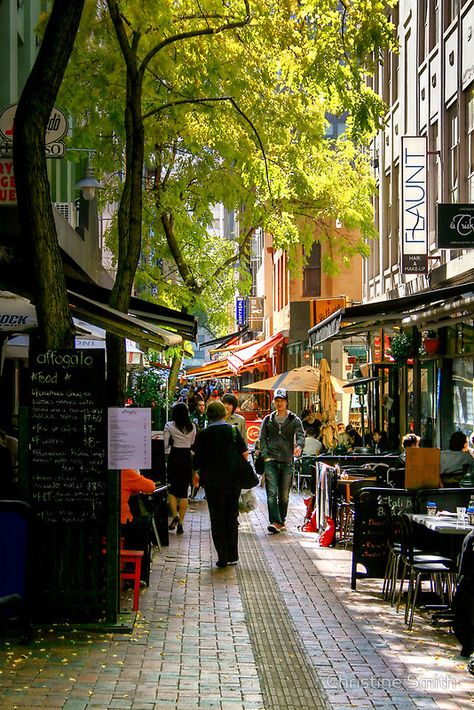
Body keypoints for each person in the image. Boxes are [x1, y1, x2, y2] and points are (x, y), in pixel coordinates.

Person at [193, 400, 248, 568]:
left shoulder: (203, 434)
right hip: (232, 481)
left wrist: (196, 476)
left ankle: (222, 556)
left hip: (212, 482)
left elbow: (197, 460)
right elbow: (245, 454)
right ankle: (233, 554)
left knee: (216, 517)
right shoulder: (232, 431)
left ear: (208, 415)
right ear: (223, 413)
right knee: (231, 516)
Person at [259, 387, 305, 534]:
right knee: (271, 493)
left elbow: (300, 436)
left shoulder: (294, 419)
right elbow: (262, 439)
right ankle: (275, 522)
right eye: (276, 400)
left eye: (282, 400)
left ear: (287, 402)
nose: (279, 403)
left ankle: (281, 520)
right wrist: (265, 456)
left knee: (284, 496)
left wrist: (299, 446)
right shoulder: (268, 419)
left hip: (287, 461)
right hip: (271, 460)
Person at [163, 403, 197, 534]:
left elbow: (165, 445)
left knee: (172, 489)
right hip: (187, 458)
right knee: (184, 492)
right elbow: (193, 443)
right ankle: (181, 523)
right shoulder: (192, 426)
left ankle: (175, 515)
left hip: (174, 457)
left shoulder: (169, 425)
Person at [120, 468, 156, 582]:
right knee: (145, 523)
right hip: (122, 520)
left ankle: (132, 568)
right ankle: (139, 573)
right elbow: (150, 486)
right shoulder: (125, 471)